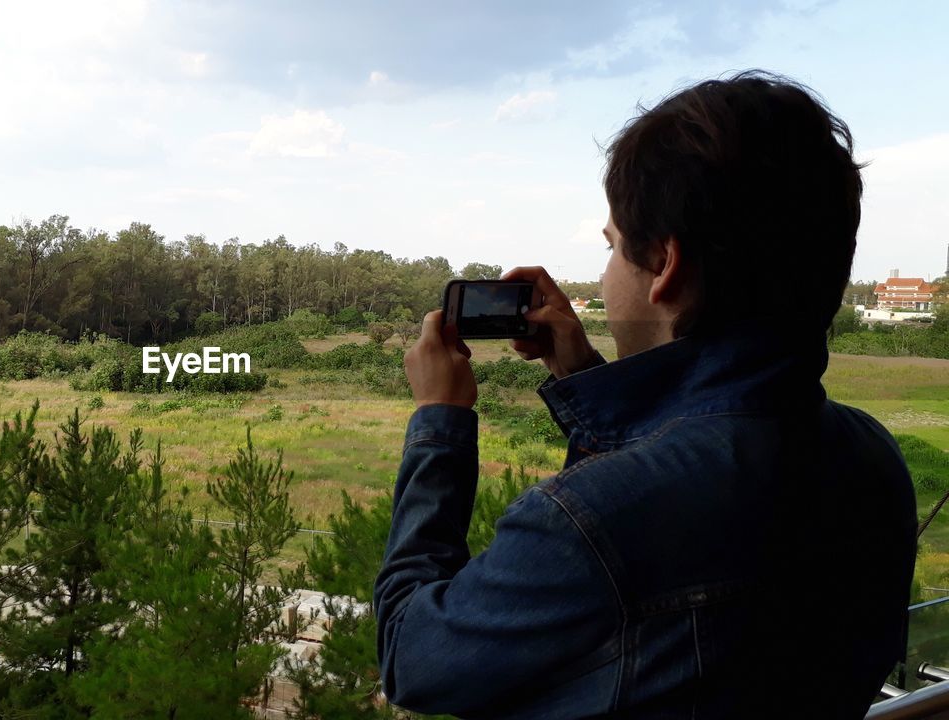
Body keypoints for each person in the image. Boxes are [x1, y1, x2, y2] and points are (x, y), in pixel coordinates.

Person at [373, 70, 918, 719]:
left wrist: (440, 421)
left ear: (664, 265)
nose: (603, 275)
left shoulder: (587, 519)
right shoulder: (871, 459)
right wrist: (578, 371)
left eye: (611, 248)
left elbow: (413, 657)